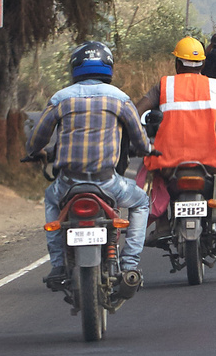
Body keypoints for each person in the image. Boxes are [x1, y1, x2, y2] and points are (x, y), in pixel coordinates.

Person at [25, 41, 151, 299]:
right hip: (108, 183)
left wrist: (34, 152)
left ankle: (59, 264)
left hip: (69, 183)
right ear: (108, 67)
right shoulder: (121, 99)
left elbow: (37, 139)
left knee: (51, 200)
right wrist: (147, 148)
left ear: (75, 68)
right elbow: (139, 140)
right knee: (141, 203)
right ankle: (129, 265)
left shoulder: (61, 98)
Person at [141, 36, 216, 224]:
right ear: (202, 64)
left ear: (177, 63)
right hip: (211, 159)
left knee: (150, 172)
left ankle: (163, 224)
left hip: (168, 160)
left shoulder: (165, 85)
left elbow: (136, 112)